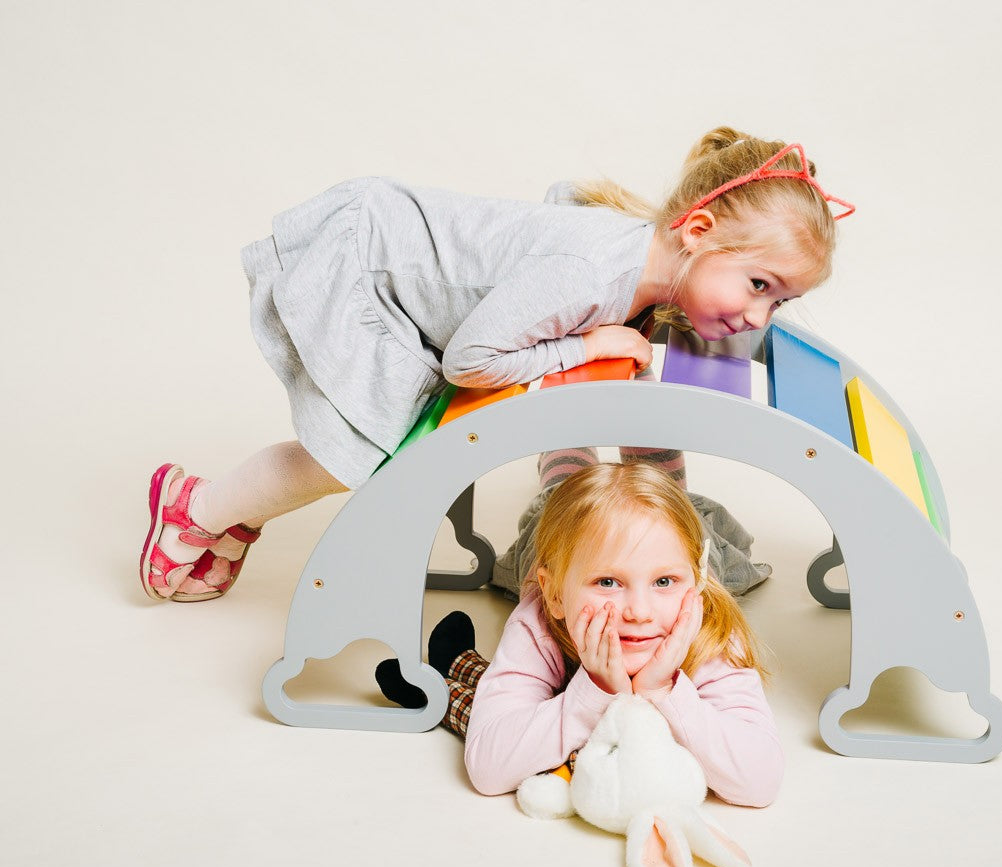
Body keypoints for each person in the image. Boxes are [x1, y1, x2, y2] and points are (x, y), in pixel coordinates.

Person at [139, 126, 854, 602]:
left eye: (780, 301)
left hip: (408, 266)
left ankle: (223, 515)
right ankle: (197, 509)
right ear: (696, 231)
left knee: (365, 450)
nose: (758, 316)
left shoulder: (652, 270)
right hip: (372, 267)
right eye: (758, 285)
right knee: (352, 454)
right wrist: (586, 348)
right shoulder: (591, 274)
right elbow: (470, 359)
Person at [379, 461, 785, 808]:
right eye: (607, 582)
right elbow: (488, 768)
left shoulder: (706, 626)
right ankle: (565, 458)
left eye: (664, 581)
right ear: (556, 595)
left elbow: (760, 781)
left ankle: (648, 453)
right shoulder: (539, 618)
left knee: (688, 516)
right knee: (560, 488)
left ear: (693, 584)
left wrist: (663, 689)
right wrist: (597, 691)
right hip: (543, 538)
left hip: (699, 542)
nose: (639, 613)